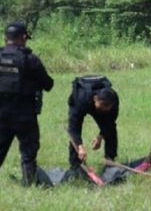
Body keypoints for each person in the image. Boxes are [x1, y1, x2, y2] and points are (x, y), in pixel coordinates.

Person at [0, 22, 54, 186]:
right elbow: (48, 84)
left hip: (1, 114)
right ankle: (29, 183)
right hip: (25, 114)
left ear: (5, 38)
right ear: (23, 38)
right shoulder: (30, 59)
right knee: (28, 152)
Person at [67, 75, 119, 172]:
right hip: (80, 101)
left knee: (111, 129)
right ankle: (75, 166)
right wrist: (80, 146)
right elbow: (73, 128)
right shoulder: (80, 99)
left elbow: (110, 123)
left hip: (97, 104)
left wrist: (101, 136)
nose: (105, 110)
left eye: (108, 108)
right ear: (95, 99)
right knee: (74, 137)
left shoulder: (113, 100)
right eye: (103, 106)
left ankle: (110, 161)